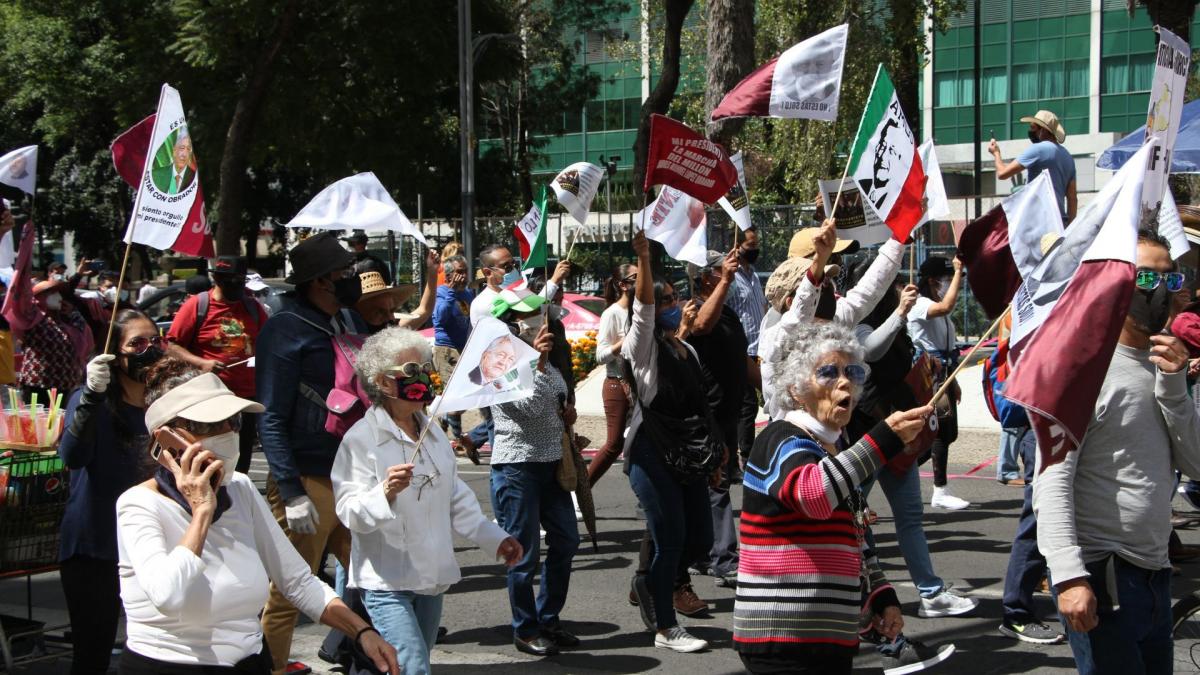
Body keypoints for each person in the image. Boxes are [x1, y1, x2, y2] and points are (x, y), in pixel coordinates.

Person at [115, 359, 399, 674]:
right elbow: (168, 595)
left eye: (233, 422)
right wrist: (202, 512)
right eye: (210, 426)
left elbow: (296, 580)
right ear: (166, 439)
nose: (227, 434)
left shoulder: (239, 488)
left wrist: (362, 631)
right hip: (170, 665)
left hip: (250, 660)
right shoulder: (139, 504)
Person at [1035, 230, 1200, 674]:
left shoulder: (1166, 363)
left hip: (1154, 572)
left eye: (1171, 277)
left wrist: (1174, 388)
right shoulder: (1082, 368)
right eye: (1147, 278)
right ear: (1116, 282)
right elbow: (1051, 478)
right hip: (1103, 569)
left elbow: (1195, 463)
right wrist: (1068, 576)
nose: (1161, 290)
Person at [734, 320, 935, 674]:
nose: (844, 381)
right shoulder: (782, 438)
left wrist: (882, 595)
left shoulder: (831, 448)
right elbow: (813, 495)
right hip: (783, 638)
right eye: (828, 372)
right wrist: (883, 440)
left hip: (828, 639)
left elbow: (856, 538)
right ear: (797, 389)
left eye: (852, 372)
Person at [331, 327, 523, 675]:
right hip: (387, 581)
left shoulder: (432, 430)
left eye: (424, 367)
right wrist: (384, 493)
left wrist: (495, 538)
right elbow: (349, 513)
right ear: (384, 382)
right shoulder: (361, 439)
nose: (423, 376)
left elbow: (455, 498)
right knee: (413, 667)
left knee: (409, 664)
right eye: (411, 370)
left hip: (431, 576)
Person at [256, 231, 367, 674]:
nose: (351, 279)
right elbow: (271, 414)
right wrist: (291, 490)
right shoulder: (285, 329)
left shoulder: (343, 323)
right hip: (307, 479)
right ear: (321, 281)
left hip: (349, 477)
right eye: (344, 273)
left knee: (374, 579)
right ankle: (272, 667)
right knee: (290, 593)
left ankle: (365, 655)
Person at [847, 268, 979, 626]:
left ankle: (931, 593)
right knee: (853, 518)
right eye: (886, 285)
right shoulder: (857, 321)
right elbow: (870, 352)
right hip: (872, 436)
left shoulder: (897, 323)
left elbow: (905, 360)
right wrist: (899, 313)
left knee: (910, 518)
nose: (894, 290)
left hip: (900, 439)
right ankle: (865, 592)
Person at [621, 230, 715, 653]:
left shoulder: (687, 351)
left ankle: (646, 582)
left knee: (701, 540)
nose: (673, 306)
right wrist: (644, 258)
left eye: (676, 298)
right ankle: (665, 625)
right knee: (669, 537)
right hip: (651, 452)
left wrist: (718, 447)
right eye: (666, 300)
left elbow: (702, 404)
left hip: (689, 452)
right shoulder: (642, 349)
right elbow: (642, 310)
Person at [57, 310, 163, 675]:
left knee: (154, 650)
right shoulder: (92, 400)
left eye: (155, 341)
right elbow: (72, 456)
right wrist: (89, 398)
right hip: (96, 546)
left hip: (150, 545)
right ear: (114, 354)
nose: (148, 350)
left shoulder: (162, 403)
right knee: (93, 653)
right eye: (137, 343)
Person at [488, 285, 581, 657]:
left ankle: (549, 618)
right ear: (509, 324)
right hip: (518, 467)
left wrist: (568, 410)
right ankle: (525, 628)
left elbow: (558, 396)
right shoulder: (497, 361)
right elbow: (524, 408)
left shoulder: (544, 355)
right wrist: (538, 363)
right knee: (523, 554)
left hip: (552, 464)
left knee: (567, 540)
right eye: (525, 317)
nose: (535, 322)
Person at [166, 256, 269, 473]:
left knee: (240, 462)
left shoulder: (252, 307)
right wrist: (201, 363)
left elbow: (270, 342)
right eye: (230, 279)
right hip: (210, 399)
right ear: (217, 279)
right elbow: (172, 346)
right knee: (210, 459)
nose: (236, 285)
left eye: (240, 280)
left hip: (245, 400)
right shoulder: (198, 305)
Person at [682, 250, 745, 587]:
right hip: (705, 413)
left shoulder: (730, 314)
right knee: (716, 482)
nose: (730, 274)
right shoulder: (693, 309)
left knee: (709, 482)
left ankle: (699, 553)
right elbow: (701, 325)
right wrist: (725, 282)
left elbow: (744, 362)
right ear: (707, 277)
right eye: (721, 270)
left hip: (728, 412)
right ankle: (724, 558)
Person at [908, 255, 969, 510]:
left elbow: (948, 345)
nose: (951, 283)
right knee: (940, 430)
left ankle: (903, 469)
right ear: (932, 281)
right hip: (927, 373)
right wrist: (957, 271)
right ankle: (940, 490)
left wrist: (953, 379)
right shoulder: (920, 304)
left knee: (947, 431)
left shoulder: (934, 304)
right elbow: (945, 307)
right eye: (946, 279)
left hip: (944, 371)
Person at [2, 273, 93, 403]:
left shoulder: (67, 321)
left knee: (60, 422)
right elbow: (19, 299)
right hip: (38, 385)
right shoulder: (32, 319)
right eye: (53, 293)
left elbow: (84, 334)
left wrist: (73, 312)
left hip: (65, 385)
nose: (59, 297)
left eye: (59, 293)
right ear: (40, 298)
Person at [589, 263, 635, 484]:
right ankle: (581, 491)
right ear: (623, 285)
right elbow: (600, 356)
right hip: (617, 384)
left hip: (639, 385)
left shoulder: (642, 310)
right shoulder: (612, 313)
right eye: (636, 277)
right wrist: (622, 344)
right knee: (613, 444)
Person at [988, 110, 1077, 223]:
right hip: (1059, 223)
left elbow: (1002, 173)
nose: (1030, 131)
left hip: (1038, 223)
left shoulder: (1038, 149)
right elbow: (1072, 198)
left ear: (1043, 130)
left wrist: (996, 153)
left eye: (1033, 127)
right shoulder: (1068, 157)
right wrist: (1069, 228)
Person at [725, 228, 766, 466]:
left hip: (758, 351)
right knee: (745, 405)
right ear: (737, 247)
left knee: (757, 402)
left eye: (756, 244)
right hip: (740, 351)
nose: (755, 250)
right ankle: (745, 455)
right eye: (750, 246)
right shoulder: (731, 278)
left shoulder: (753, 276)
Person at [433, 254, 472, 439]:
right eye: (459, 272)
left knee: (468, 396)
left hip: (465, 350)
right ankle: (459, 440)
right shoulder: (441, 293)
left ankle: (447, 419)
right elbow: (440, 317)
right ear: (449, 275)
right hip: (447, 350)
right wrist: (451, 291)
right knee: (456, 398)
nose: (464, 276)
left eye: (465, 271)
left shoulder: (467, 294)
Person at [354, 250, 439, 333]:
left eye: (392, 310)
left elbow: (425, 310)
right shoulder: (350, 334)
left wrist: (432, 272)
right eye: (379, 312)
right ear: (359, 310)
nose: (390, 318)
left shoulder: (391, 332)